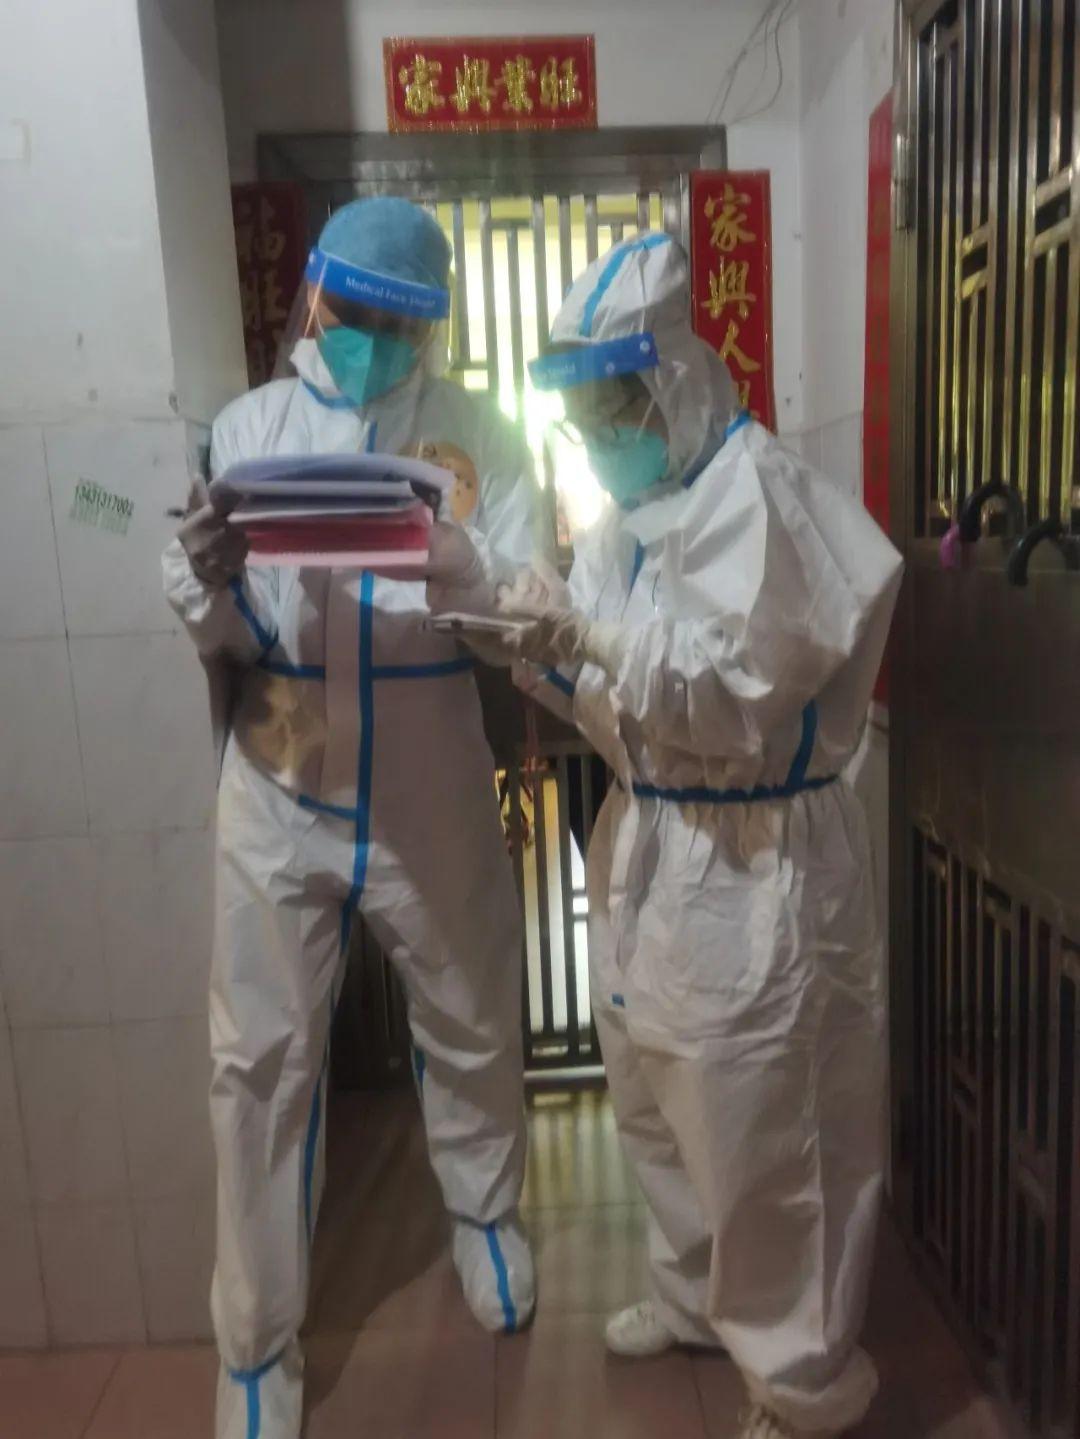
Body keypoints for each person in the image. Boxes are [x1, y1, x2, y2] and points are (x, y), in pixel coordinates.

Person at [490, 233, 903, 1439]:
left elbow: (731, 696)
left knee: (769, 1131)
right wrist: (542, 648)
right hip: (657, 840)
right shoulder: (634, 512)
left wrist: (591, 641)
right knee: (657, 1095)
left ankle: (803, 1383)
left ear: (669, 381)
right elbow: (624, 700)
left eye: (608, 410)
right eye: (581, 418)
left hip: (758, 864)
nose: (596, 438)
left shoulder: (759, 495)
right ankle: (690, 1295)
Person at [163, 197, 542, 1439]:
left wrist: (464, 563)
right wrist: (206, 579)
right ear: (314, 295)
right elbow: (222, 631)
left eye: (400, 321)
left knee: (471, 1001)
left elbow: (525, 618)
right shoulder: (250, 426)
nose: (372, 337)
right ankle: (255, 1345)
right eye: (354, 311)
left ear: (432, 326)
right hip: (280, 772)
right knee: (258, 1061)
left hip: (428, 761)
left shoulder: (480, 435)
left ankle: (486, 1212)